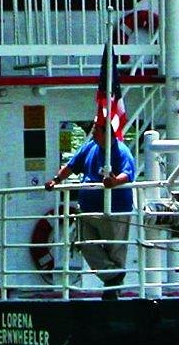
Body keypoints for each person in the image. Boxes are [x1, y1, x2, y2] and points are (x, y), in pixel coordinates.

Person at [44, 119, 137, 287]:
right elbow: (72, 165)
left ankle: (113, 287)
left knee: (115, 250)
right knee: (83, 244)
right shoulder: (90, 147)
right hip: (88, 210)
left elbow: (128, 173)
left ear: (106, 132)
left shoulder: (121, 150)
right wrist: (56, 180)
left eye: (96, 130)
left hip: (114, 211)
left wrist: (114, 182)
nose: (93, 132)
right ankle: (113, 277)